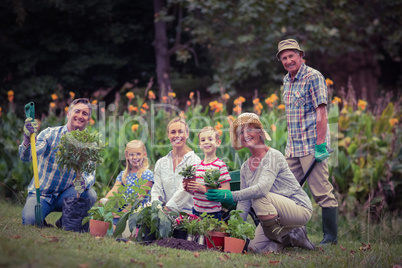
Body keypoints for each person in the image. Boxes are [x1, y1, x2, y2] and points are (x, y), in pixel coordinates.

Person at [206, 113, 315, 253]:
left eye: (250, 129)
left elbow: (261, 189)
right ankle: (294, 236)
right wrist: (235, 229)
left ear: (260, 133)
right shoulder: (245, 167)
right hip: (275, 214)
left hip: (299, 208)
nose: (245, 134)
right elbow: (244, 203)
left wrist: (230, 195)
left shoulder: (273, 156)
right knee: (253, 248)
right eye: (241, 132)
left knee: (259, 197)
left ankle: (277, 243)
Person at [276, 39, 338, 245]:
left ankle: (330, 238)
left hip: (312, 146)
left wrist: (320, 145)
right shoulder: (286, 80)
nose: (288, 60)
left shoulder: (313, 77)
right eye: (284, 58)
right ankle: (292, 237)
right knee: (286, 191)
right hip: (293, 147)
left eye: (291, 56)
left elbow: (321, 111)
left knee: (321, 192)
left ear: (301, 56)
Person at [19, 98, 97, 226]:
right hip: (42, 195)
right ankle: (39, 220)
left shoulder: (89, 144)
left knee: (90, 194)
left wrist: (84, 183)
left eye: (85, 113)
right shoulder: (50, 134)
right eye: (77, 111)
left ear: (88, 119)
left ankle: (64, 221)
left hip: (67, 196)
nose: (80, 116)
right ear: (68, 114)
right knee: (30, 221)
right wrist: (27, 139)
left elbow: (90, 174)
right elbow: (27, 157)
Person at [179, 126, 231, 220]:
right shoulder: (197, 166)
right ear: (200, 145)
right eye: (203, 140)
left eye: (210, 139)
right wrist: (189, 189)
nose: (206, 142)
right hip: (196, 211)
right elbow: (196, 193)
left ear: (218, 143)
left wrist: (203, 189)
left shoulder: (220, 165)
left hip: (213, 214)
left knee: (210, 235)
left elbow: (226, 192)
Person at [151, 117, 201, 213]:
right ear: (168, 135)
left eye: (181, 132)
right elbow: (156, 190)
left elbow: (185, 191)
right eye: (173, 132)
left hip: (188, 216)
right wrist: (155, 208)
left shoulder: (194, 161)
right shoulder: (161, 163)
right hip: (164, 215)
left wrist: (166, 210)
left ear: (187, 134)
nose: (177, 135)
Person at [102, 140, 154, 227]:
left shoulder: (147, 174)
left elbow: (138, 199)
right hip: (124, 210)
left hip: (139, 213)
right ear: (126, 156)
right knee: (105, 222)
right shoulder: (124, 174)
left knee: (111, 227)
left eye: (138, 154)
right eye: (131, 154)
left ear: (144, 155)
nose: (134, 157)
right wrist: (104, 201)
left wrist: (121, 214)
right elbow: (114, 190)